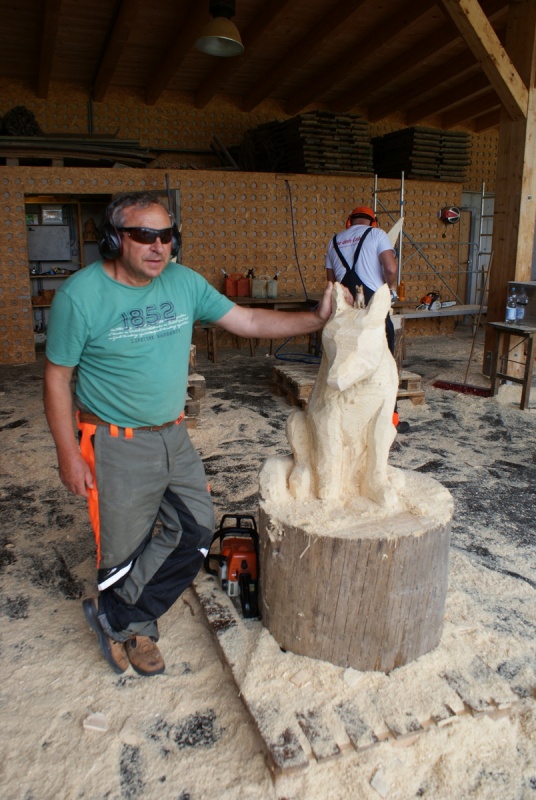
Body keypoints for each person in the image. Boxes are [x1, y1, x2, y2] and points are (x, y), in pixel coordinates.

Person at [43, 191, 334, 677]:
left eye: (166, 236)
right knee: (122, 548)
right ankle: (132, 628)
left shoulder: (184, 283)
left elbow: (247, 320)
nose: (158, 246)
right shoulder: (80, 296)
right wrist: (67, 453)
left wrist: (316, 320)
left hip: (173, 436)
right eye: (144, 235)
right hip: (115, 441)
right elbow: (57, 376)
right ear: (115, 239)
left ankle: (116, 613)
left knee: (196, 531)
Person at [325, 205, 409, 433]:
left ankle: (346, 416)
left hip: (345, 306)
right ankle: (390, 417)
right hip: (372, 306)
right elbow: (390, 268)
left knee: (344, 358)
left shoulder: (334, 241)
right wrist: (389, 289)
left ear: (349, 222)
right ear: (374, 222)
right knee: (385, 358)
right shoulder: (378, 234)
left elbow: (331, 283)